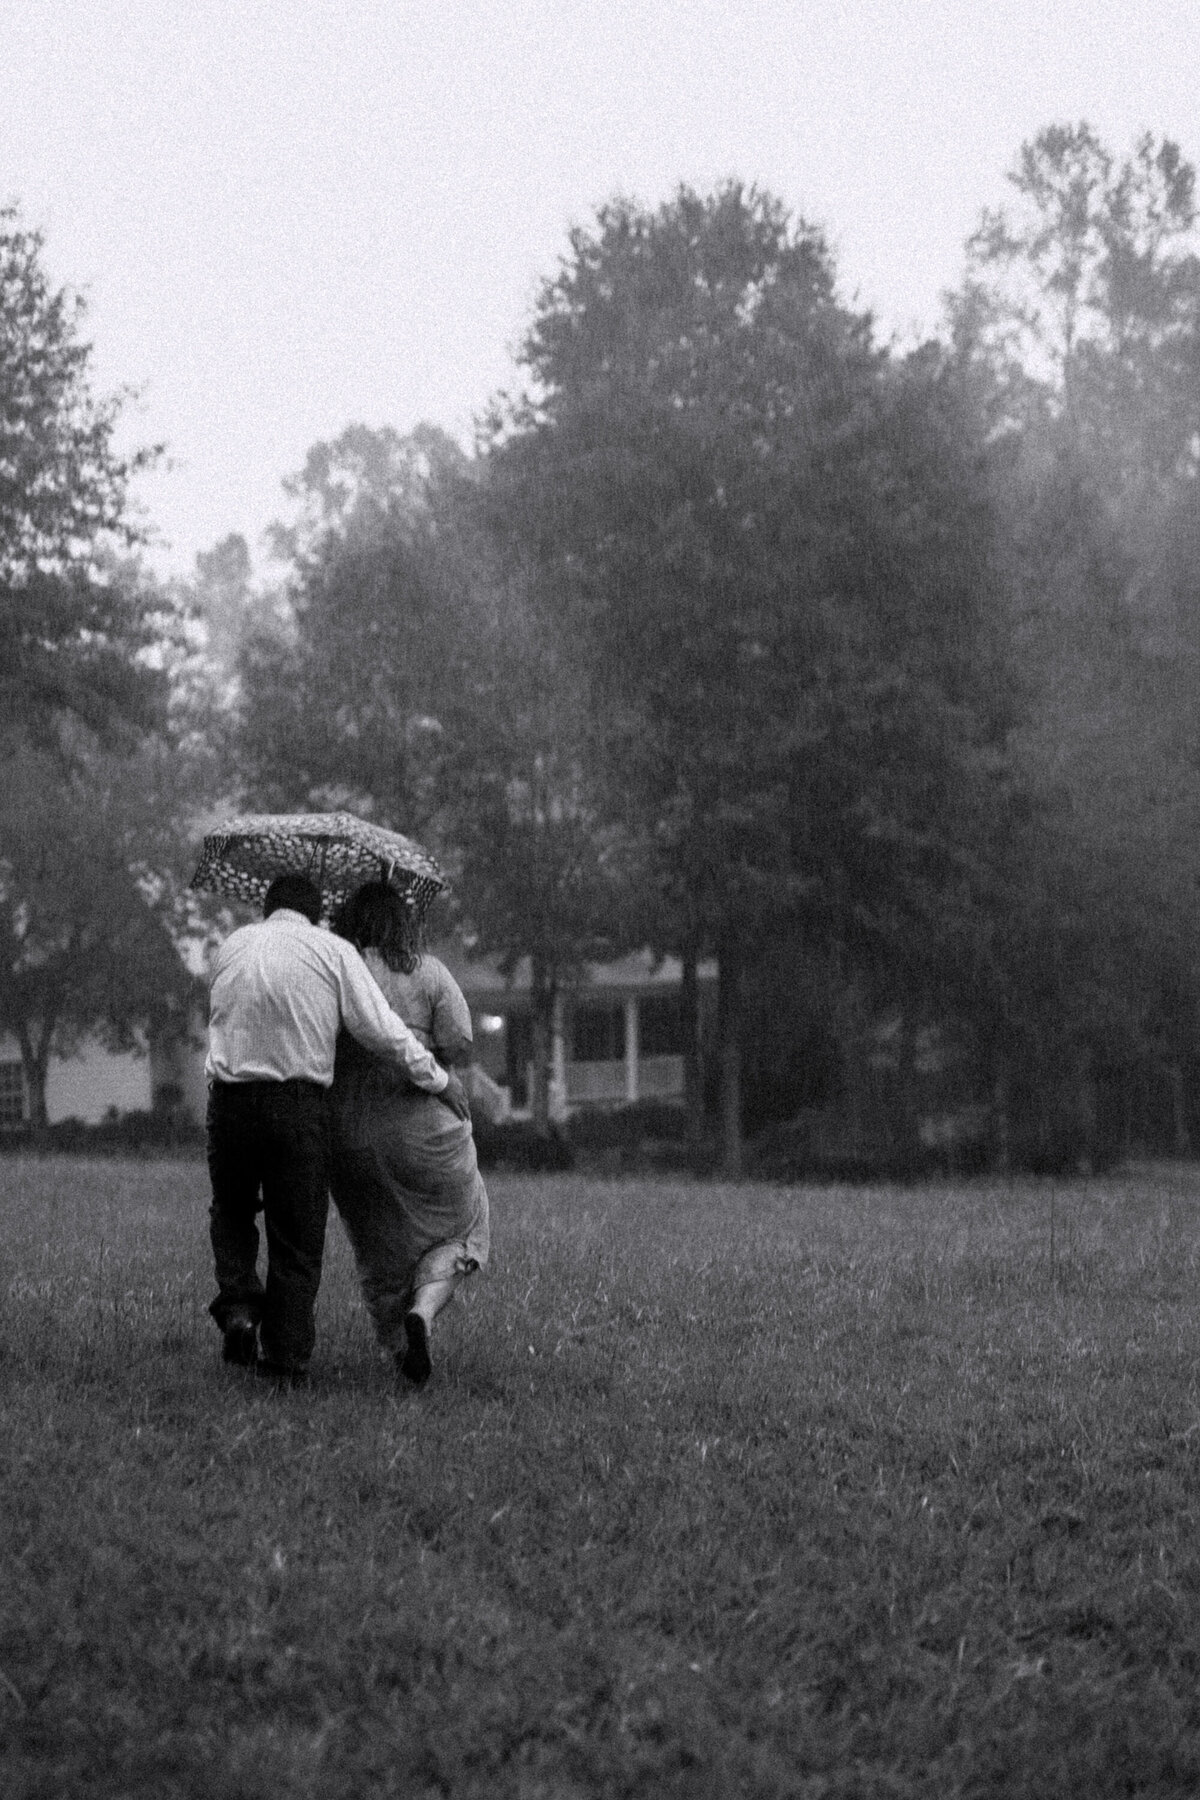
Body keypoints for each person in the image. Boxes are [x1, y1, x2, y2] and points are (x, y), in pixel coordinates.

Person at [205, 871, 469, 1386]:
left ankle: (238, 1309)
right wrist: (438, 1080)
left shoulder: (231, 948)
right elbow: (386, 1033)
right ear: (314, 912)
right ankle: (285, 1362)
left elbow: (219, 1021)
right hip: (298, 1106)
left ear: (266, 906)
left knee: (232, 1212)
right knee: (297, 1238)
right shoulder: (330, 951)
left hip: (229, 1102)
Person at [328, 880, 490, 1385]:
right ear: (403, 924)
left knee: (376, 1247)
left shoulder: (334, 973)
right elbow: (461, 1043)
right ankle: (424, 1309)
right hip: (427, 1131)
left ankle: (399, 1347)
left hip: (349, 1137)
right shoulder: (430, 973)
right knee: (463, 1227)